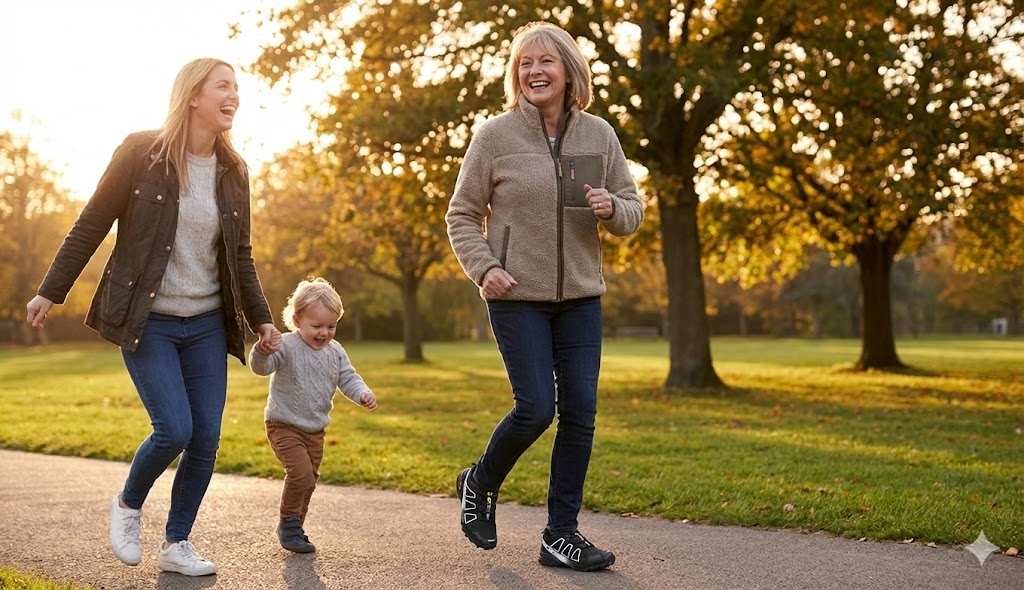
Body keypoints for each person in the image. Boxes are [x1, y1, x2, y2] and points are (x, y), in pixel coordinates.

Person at [25, 58, 282, 577]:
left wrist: (263, 320)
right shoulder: (140, 152)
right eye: (223, 87)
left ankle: (176, 542)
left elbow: (242, 255)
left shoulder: (235, 170)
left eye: (237, 89)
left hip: (207, 321)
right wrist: (51, 292)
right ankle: (127, 504)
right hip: (149, 320)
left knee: (206, 437)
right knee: (174, 429)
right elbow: (91, 223)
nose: (234, 96)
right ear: (193, 96)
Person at [445, 21, 644, 572]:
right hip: (516, 296)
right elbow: (462, 214)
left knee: (579, 413)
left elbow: (632, 207)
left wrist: (612, 209)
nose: (534, 71)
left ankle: (561, 534)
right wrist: (485, 268)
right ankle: (479, 482)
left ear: (568, 71)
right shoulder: (494, 137)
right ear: (517, 76)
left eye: (546, 62)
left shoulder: (599, 135)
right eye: (524, 64)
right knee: (535, 408)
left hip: (581, 296)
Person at [249, 277, 378, 553]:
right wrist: (261, 351)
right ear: (297, 321)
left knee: (309, 481)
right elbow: (262, 368)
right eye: (316, 326)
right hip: (284, 424)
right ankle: (287, 524)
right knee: (301, 474)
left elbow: (348, 378)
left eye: (331, 326)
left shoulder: (336, 352)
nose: (324, 333)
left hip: (315, 430)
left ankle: (296, 527)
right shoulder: (286, 345)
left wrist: (363, 393)